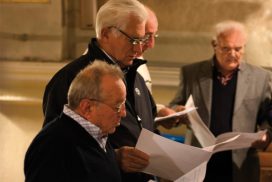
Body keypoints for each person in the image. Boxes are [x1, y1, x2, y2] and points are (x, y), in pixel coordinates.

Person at [42, 0, 178, 181]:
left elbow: (148, 127)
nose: (138, 49)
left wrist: (172, 162)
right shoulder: (71, 80)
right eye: (133, 40)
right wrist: (113, 158)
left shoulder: (135, 75)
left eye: (141, 39)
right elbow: (55, 152)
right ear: (106, 33)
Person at [169, 20, 272, 182]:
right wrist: (177, 112)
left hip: (240, 163)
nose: (232, 54)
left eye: (238, 49)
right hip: (200, 160)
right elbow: (175, 105)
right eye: (226, 48)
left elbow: (268, 116)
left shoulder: (261, 77)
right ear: (214, 45)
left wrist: (266, 135)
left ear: (244, 47)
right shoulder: (192, 73)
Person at [25, 61, 125, 182]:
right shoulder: (53, 145)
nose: (123, 113)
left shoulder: (99, 136)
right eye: (117, 106)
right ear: (87, 107)